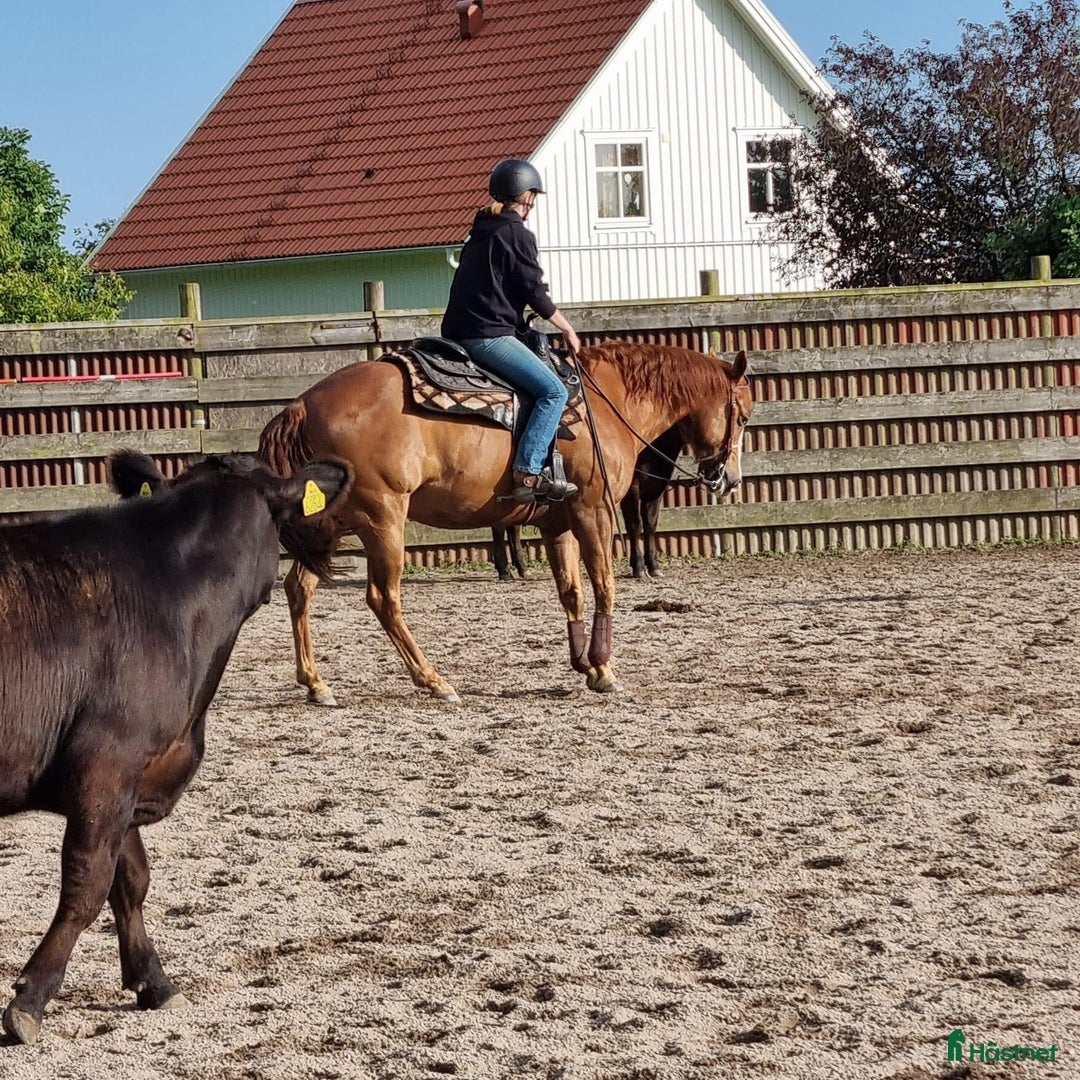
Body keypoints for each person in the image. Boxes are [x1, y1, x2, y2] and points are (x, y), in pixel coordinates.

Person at [442, 158, 582, 504]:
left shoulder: (479, 232)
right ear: (527, 196)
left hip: (456, 333)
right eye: (533, 197)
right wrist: (567, 328)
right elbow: (533, 290)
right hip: (488, 336)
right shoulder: (516, 234)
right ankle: (528, 471)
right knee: (553, 391)